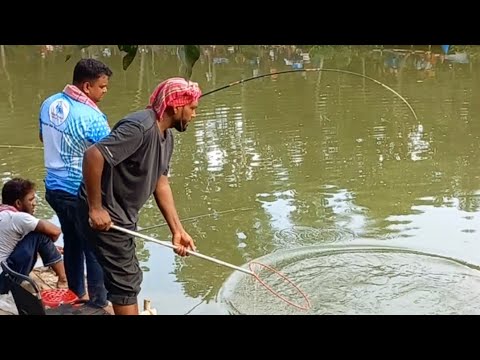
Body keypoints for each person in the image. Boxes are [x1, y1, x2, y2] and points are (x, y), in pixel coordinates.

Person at [77, 77, 201, 315]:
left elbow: (160, 182)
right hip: (106, 214)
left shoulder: (167, 137)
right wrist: (95, 208)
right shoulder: (140, 127)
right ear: (176, 107)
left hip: (123, 215)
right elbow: (93, 155)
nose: (194, 115)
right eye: (192, 108)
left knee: (128, 276)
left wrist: (177, 230)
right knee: (125, 281)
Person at [38, 58, 112, 309]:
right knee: (94, 248)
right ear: (87, 86)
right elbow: (109, 157)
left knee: (71, 241)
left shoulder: (49, 103)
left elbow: (42, 137)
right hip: (78, 192)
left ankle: (75, 291)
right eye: (102, 87)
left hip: (53, 189)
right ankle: (98, 303)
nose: (104, 91)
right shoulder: (92, 116)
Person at [0, 178, 67, 294]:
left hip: (3, 275)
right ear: (18, 203)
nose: (34, 203)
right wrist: (47, 244)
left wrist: (50, 248)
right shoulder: (19, 218)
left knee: (36, 235)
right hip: (4, 281)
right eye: (31, 199)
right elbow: (55, 231)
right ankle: (63, 279)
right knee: (39, 234)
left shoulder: (4, 214)